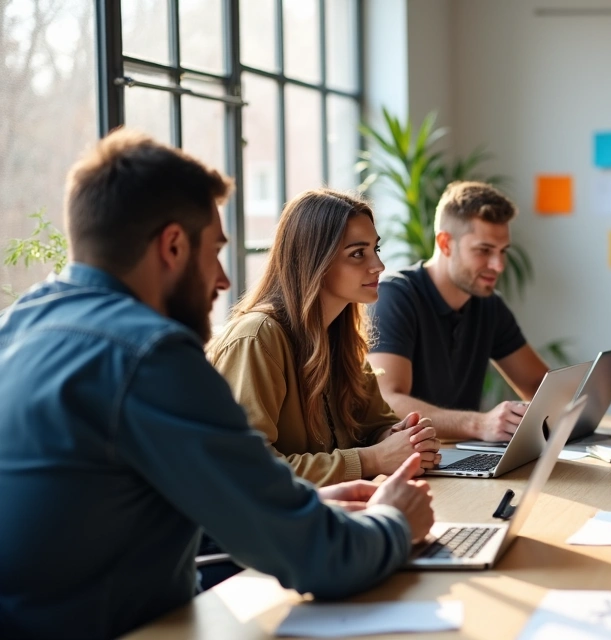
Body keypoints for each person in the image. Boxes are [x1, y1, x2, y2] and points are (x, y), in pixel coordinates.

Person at [0, 130, 435, 638]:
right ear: (174, 246)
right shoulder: (152, 355)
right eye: (215, 251)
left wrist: (302, 505)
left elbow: (104, 515)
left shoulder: (16, 326)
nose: (225, 281)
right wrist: (394, 522)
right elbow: (322, 561)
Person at [208, 189, 441, 486]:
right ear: (315, 261)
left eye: (375, 250)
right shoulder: (257, 339)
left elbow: (376, 424)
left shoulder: (343, 337)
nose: (378, 266)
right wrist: (374, 458)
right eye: (358, 253)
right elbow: (246, 469)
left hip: (331, 514)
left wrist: (402, 440)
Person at [367, 181, 549, 442]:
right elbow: (388, 401)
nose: (498, 266)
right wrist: (479, 424)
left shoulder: (488, 305)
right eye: (484, 251)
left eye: (502, 251)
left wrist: (575, 413)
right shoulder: (395, 296)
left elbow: (537, 385)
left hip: (462, 459)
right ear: (445, 243)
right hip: (410, 464)